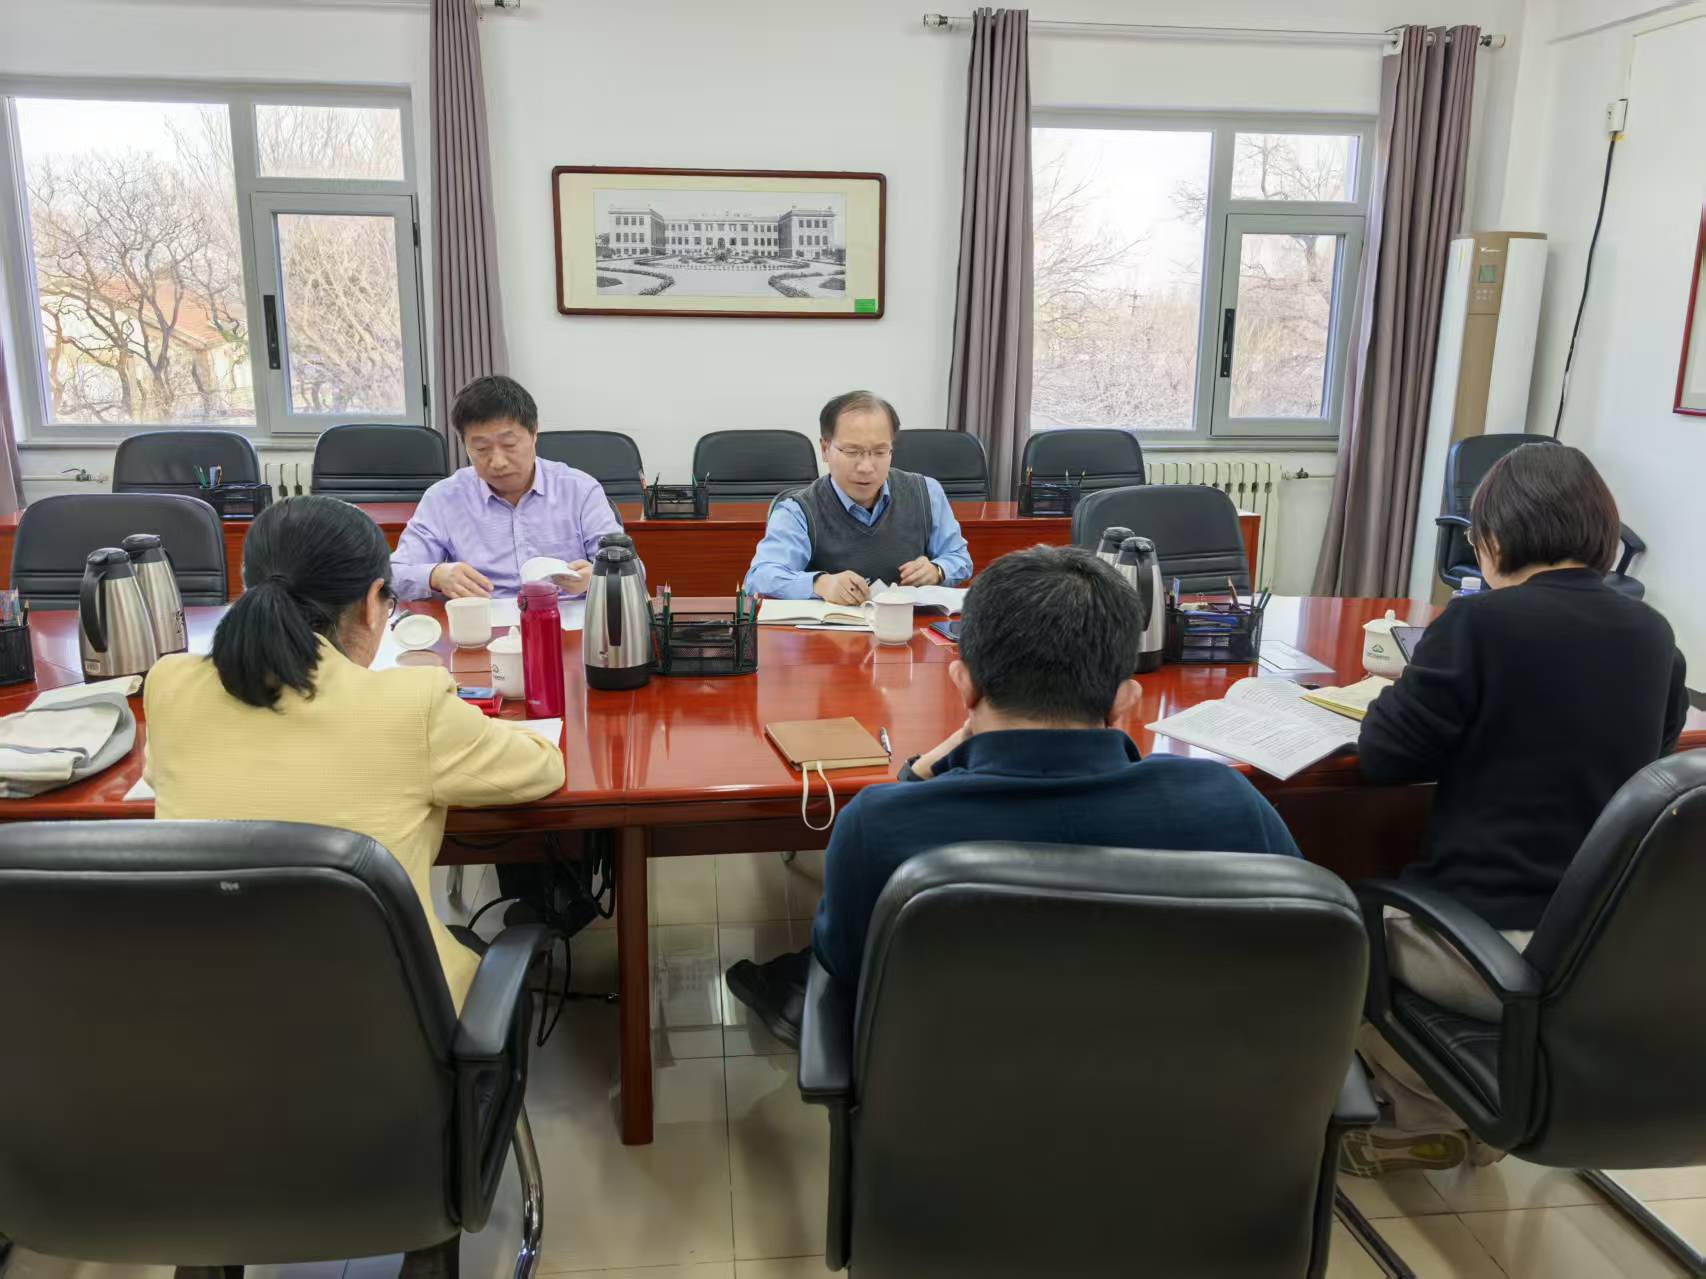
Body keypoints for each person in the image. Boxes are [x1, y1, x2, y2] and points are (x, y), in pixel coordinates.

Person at [145, 497, 565, 1279]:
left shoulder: (169, 687)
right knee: (473, 959)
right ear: (375, 602)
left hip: (206, 1042)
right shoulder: (408, 702)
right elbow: (542, 768)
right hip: (383, 1050)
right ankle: (428, 1235)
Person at [725, 545, 1302, 1045]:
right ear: (1126, 700)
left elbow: (844, 970)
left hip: (945, 1120)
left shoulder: (879, 827)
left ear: (964, 685)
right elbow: (1301, 953)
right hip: (1188, 1117)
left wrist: (918, 774)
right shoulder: (1231, 807)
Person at [1346, 443, 1689, 1176]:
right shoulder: (1655, 635)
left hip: (1488, 951)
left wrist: (1403, 688)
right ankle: (1468, 1108)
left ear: (1494, 540)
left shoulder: (1479, 624)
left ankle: (1417, 1111)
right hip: (1600, 955)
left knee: (1342, 918)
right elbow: (1653, 769)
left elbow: (1384, 758)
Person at [391, 375, 623, 600]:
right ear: (465, 445)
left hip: (564, 618)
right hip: (481, 619)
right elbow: (393, 575)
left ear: (534, 433)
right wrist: (435, 575)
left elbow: (630, 569)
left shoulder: (580, 491)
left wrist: (596, 578)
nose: (498, 462)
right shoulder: (443, 498)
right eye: (481, 449)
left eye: (509, 444)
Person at [743, 390, 972, 604]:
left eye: (880, 452)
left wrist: (937, 570)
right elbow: (759, 577)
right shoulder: (798, 510)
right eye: (852, 452)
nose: (866, 467)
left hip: (906, 628)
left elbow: (959, 558)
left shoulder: (926, 493)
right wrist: (820, 584)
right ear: (825, 449)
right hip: (831, 631)